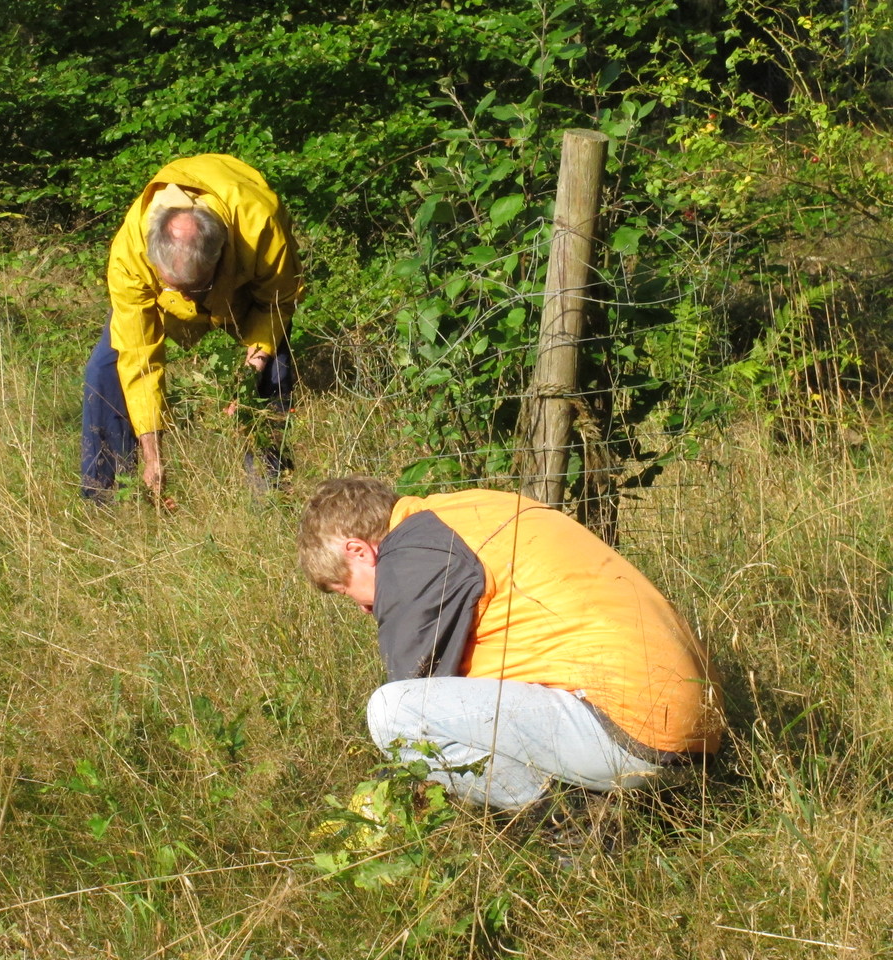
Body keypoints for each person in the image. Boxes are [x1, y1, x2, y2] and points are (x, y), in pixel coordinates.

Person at [297, 477, 724, 811]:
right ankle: (596, 799)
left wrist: (379, 810)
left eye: (345, 590)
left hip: (634, 734)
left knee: (394, 711)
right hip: (697, 734)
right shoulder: (467, 511)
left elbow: (416, 695)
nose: (363, 609)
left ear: (359, 551)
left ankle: (570, 821)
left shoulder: (413, 552)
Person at [80, 154, 302, 503]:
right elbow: (139, 358)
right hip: (162, 300)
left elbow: (276, 301)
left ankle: (270, 491)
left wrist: (252, 366)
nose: (187, 299)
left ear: (219, 255)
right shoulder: (131, 254)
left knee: (273, 371)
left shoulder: (259, 224)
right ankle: (105, 497)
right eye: (173, 286)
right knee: (105, 370)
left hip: (240, 295)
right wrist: (154, 457)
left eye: (194, 289)